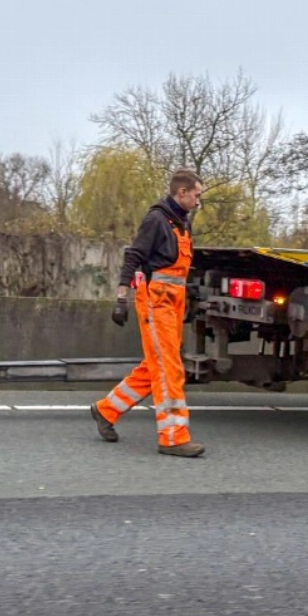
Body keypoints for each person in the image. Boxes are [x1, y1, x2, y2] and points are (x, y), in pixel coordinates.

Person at [90, 168, 206, 458]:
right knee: (169, 368)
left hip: (173, 300)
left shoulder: (182, 222)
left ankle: (106, 410)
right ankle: (173, 437)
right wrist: (121, 298)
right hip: (156, 300)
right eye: (196, 194)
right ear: (182, 192)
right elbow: (134, 257)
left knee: (156, 365)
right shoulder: (156, 220)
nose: (198, 201)